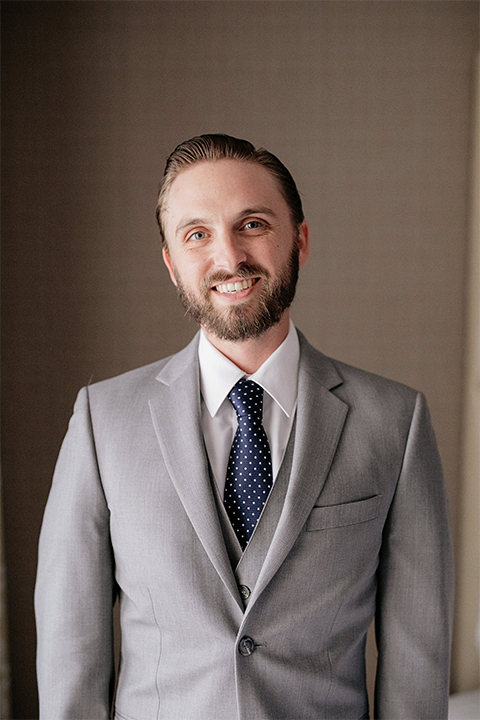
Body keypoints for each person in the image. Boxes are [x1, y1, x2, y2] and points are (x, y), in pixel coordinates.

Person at [35, 133, 454, 720]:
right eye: (197, 235)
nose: (229, 258)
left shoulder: (395, 423)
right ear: (171, 263)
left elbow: (419, 662)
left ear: (299, 240)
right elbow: (68, 656)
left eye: (252, 224)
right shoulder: (102, 423)